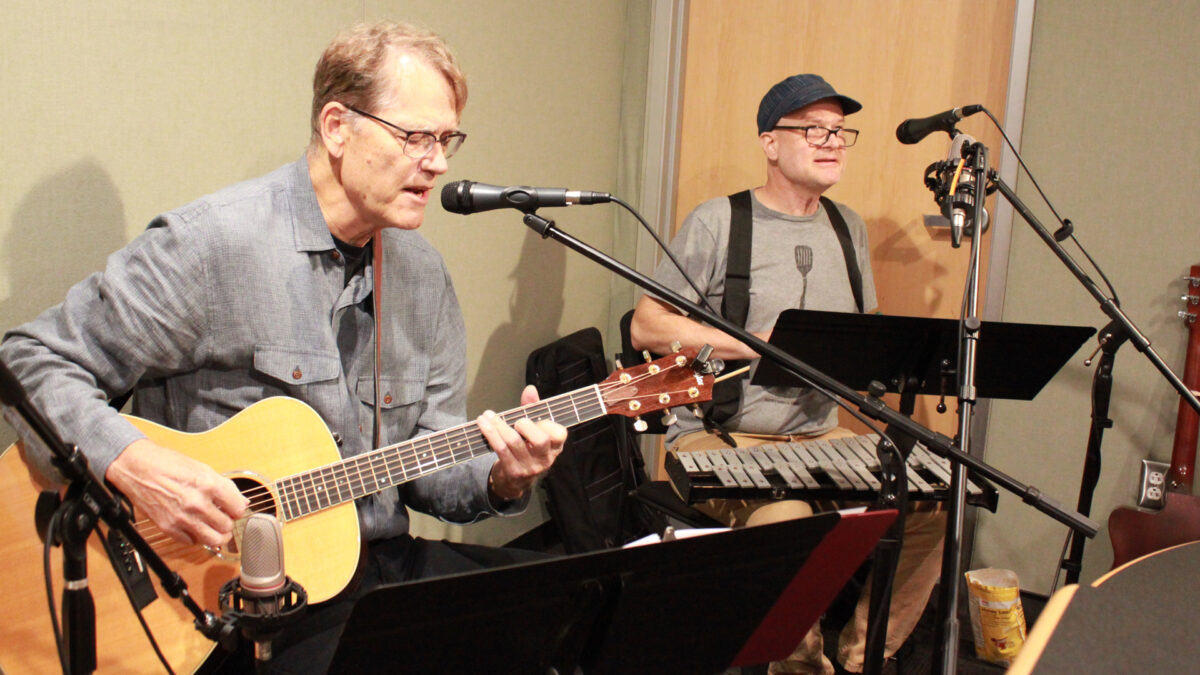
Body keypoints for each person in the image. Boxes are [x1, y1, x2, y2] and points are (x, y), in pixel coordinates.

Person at [0, 21, 566, 673]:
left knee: (565, 602)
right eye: (415, 137)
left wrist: (503, 473)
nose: (437, 162)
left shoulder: (422, 273)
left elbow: (429, 463)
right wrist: (135, 464)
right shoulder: (212, 248)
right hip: (232, 598)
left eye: (446, 140)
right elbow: (31, 361)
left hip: (378, 568)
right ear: (336, 127)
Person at [630, 74, 944, 674]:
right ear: (771, 143)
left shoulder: (846, 226)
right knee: (787, 522)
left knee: (934, 503)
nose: (832, 142)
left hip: (818, 435)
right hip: (721, 433)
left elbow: (864, 329)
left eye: (840, 131)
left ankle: (863, 657)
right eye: (813, 129)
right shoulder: (719, 221)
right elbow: (647, 326)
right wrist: (754, 345)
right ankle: (798, 667)